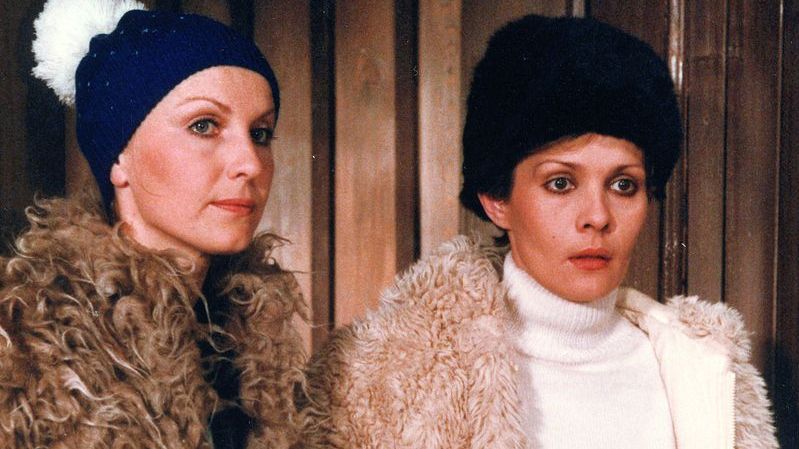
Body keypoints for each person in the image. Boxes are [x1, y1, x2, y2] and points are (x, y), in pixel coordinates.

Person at [302, 14, 777, 449]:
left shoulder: (705, 374)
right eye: (561, 183)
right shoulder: (377, 379)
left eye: (623, 185)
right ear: (497, 199)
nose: (597, 216)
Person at [0, 1, 305, 448]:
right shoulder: (20, 355)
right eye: (204, 125)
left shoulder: (257, 357)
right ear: (119, 158)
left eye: (260, 133)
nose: (250, 163)